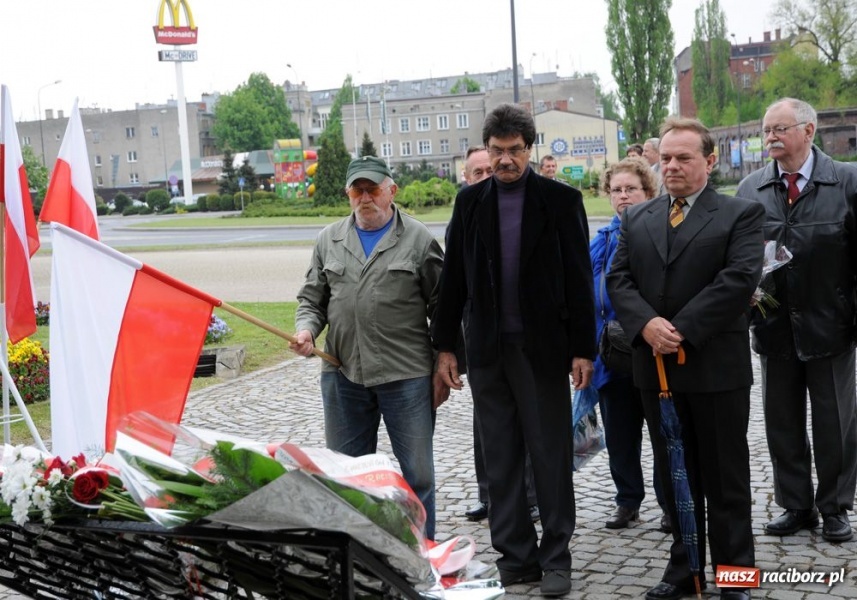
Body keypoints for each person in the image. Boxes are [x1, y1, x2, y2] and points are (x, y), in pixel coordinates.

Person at [432, 103, 595, 597]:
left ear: (530, 148)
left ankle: (556, 557)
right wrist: (445, 347)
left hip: (542, 351)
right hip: (488, 352)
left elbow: (579, 282)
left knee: (549, 454)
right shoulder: (470, 203)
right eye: (497, 151)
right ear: (487, 150)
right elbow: (453, 281)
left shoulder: (561, 201)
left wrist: (582, 350)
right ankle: (515, 557)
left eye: (514, 151)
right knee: (500, 458)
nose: (505, 160)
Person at [608, 117, 764, 600]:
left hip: (715, 370)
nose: (671, 166)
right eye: (667, 158)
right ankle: (684, 569)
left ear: (710, 162)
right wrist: (646, 325)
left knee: (726, 480)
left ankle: (736, 575)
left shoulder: (741, 214)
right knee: (676, 475)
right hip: (654, 371)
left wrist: (678, 331)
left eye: (684, 158)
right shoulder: (639, 217)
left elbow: (737, 280)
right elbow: (619, 280)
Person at [291, 155, 444, 541]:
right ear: (348, 194)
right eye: (357, 190)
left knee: (418, 475)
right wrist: (307, 330)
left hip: (405, 375)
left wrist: (446, 358)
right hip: (343, 373)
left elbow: (443, 306)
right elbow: (312, 299)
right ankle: (358, 556)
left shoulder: (419, 239)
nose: (365, 198)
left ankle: (422, 552)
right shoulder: (328, 239)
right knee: (346, 474)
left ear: (392, 191)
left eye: (373, 189)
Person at [737, 98, 857, 544]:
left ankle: (835, 507)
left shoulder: (846, 181)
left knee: (836, 424)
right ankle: (797, 505)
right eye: (766, 130)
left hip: (832, 326)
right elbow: (740, 259)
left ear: (809, 131)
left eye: (779, 129)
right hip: (773, 327)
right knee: (781, 422)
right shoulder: (751, 188)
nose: (770, 136)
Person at [456, 148, 540, 525]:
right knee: (485, 426)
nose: (485, 175)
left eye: (486, 170)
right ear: (466, 175)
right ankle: (489, 493)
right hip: (482, 341)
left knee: (527, 421)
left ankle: (531, 495)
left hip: (524, 340)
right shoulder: (467, 208)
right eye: (477, 172)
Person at [593, 158, 669, 533]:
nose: (623, 196)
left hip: (651, 350)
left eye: (631, 189)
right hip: (611, 355)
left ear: (648, 193)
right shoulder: (600, 240)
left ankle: (670, 505)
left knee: (662, 433)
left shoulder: (661, 232)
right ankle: (627, 502)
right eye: (616, 190)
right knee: (620, 435)